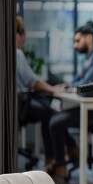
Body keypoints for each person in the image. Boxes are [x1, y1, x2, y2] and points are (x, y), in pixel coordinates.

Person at [48, 21, 93, 176]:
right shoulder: (89, 59)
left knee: (56, 122)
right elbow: (77, 82)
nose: (75, 45)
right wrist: (68, 86)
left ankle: (62, 164)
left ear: (89, 38)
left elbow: (85, 85)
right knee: (55, 116)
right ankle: (72, 151)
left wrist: (72, 87)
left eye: (78, 41)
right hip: (88, 106)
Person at [16, 16, 65, 168]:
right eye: (23, 34)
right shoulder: (17, 53)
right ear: (18, 35)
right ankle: (53, 160)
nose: (24, 39)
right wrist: (53, 89)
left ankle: (64, 155)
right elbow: (32, 81)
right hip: (20, 105)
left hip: (17, 105)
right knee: (51, 113)